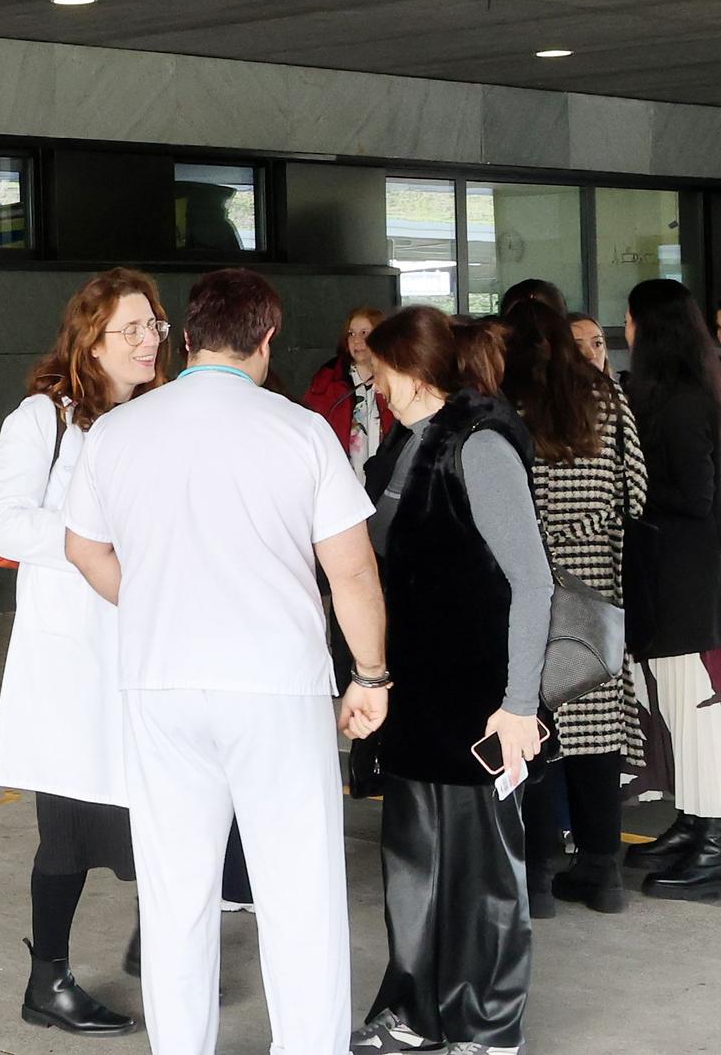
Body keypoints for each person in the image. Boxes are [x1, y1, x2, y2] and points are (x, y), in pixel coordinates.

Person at [63, 268, 390, 1055]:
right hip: (274, 684)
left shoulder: (119, 431)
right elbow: (351, 569)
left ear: (186, 335)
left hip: (161, 682)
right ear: (267, 337)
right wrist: (371, 674)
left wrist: (144, 603)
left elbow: (82, 546)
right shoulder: (301, 429)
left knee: (177, 892)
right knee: (298, 889)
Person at [352, 306, 552, 1055]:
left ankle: (488, 1026)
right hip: (416, 698)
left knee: (484, 877)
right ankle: (413, 1011)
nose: (373, 381)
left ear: (414, 369)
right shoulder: (410, 441)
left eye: (381, 368)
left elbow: (532, 584)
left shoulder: (481, 444)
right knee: (411, 868)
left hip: (479, 703)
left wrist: (519, 706)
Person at [0, 268, 167, 1037]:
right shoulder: (43, 419)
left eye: (155, 325)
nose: (150, 339)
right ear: (91, 338)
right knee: (69, 829)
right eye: (133, 329)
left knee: (162, 813)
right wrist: (89, 545)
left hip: (149, 652)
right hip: (70, 663)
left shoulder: (162, 419)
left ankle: (163, 945)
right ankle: (47, 980)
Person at [502, 298, 648, 917]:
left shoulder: (507, 404)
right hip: (596, 588)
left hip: (530, 581)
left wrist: (542, 540)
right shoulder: (607, 397)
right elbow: (636, 491)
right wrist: (592, 528)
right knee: (597, 728)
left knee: (534, 724)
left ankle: (535, 880)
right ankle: (601, 872)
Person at [623, 278, 721, 901]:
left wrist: (632, 495)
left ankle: (713, 840)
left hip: (693, 582)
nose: (624, 333)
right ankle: (693, 819)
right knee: (677, 711)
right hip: (676, 577)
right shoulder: (677, 394)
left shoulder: (684, 402)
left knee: (697, 711)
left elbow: (696, 495)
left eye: (630, 322)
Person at [303, 306, 397, 479]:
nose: (356, 340)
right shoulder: (328, 381)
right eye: (351, 334)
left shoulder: (397, 380)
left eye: (364, 333)